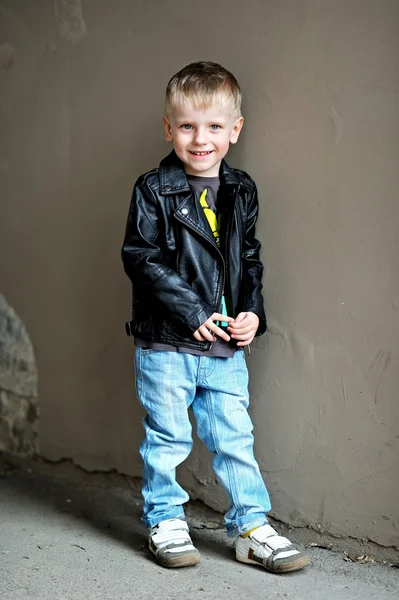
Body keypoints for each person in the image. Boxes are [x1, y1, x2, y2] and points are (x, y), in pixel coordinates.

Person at [121, 61, 310, 573]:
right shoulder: (153, 189)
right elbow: (141, 258)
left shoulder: (241, 190)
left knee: (234, 438)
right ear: (168, 128)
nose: (199, 139)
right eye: (186, 126)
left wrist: (252, 312)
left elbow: (248, 258)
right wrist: (194, 310)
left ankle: (250, 525)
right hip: (166, 344)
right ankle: (165, 518)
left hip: (224, 345)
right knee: (167, 437)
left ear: (234, 130)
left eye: (213, 127)